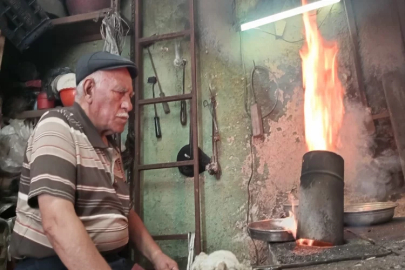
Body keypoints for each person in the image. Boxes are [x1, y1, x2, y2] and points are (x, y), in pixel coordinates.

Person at [10, 51, 179, 270]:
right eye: (121, 93)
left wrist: (156, 255)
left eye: (131, 97)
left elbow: (124, 211)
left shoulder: (110, 146)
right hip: (54, 263)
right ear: (89, 89)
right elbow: (57, 222)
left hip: (107, 259)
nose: (128, 105)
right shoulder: (57, 127)